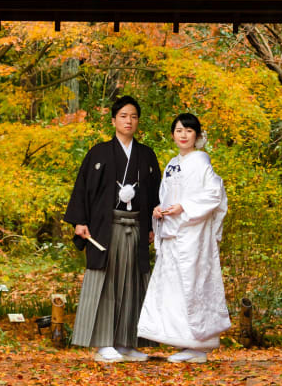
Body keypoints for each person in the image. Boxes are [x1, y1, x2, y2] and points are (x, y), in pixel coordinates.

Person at [64, 94, 160, 362]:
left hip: (137, 227)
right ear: (113, 120)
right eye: (123, 116)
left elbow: (155, 195)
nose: (129, 121)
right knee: (106, 282)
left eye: (134, 116)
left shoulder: (146, 155)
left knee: (133, 284)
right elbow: (83, 188)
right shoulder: (99, 153)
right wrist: (80, 222)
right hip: (105, 228)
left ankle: (128, 342)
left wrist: (153, 226)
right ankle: (104, 343)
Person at [137, 113, 231, 362]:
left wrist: (185, 207)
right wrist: (159, 210)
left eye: (189, 131)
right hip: (172, 232)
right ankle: (185, 342)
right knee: (174, 287)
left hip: (193, 233)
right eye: (179, 130)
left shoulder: (201, 162)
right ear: (172, 134)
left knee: (193, 283)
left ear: (197, 136)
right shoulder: (171, 164)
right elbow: (166, 195)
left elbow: (214, 195)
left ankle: (199, 345)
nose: (183, 135)